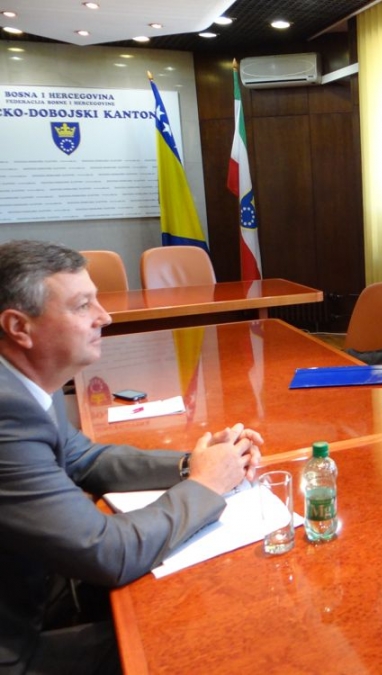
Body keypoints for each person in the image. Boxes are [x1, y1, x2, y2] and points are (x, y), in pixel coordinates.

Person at [0, 240, 264, 674]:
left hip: (40, 587)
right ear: (19, 327)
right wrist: (206, 484)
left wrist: (192, 464)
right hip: (17, 645)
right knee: (205, 636)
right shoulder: (7, 413)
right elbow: (108, 551)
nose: (104, 316)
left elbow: (86, 458)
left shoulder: (24, 380)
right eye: (82, 305)